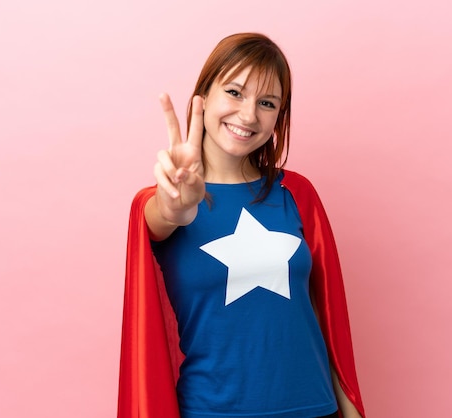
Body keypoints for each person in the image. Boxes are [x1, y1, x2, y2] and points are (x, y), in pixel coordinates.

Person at [118, 33, 365, 418]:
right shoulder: (162, 198)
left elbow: (325, 316)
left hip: (314, 408)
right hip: (212, 410)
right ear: (203, 96)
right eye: (234, 92)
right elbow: (164, 217)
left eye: (267, 103)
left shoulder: (297, 193)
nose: (249, 115)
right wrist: (176, 206)